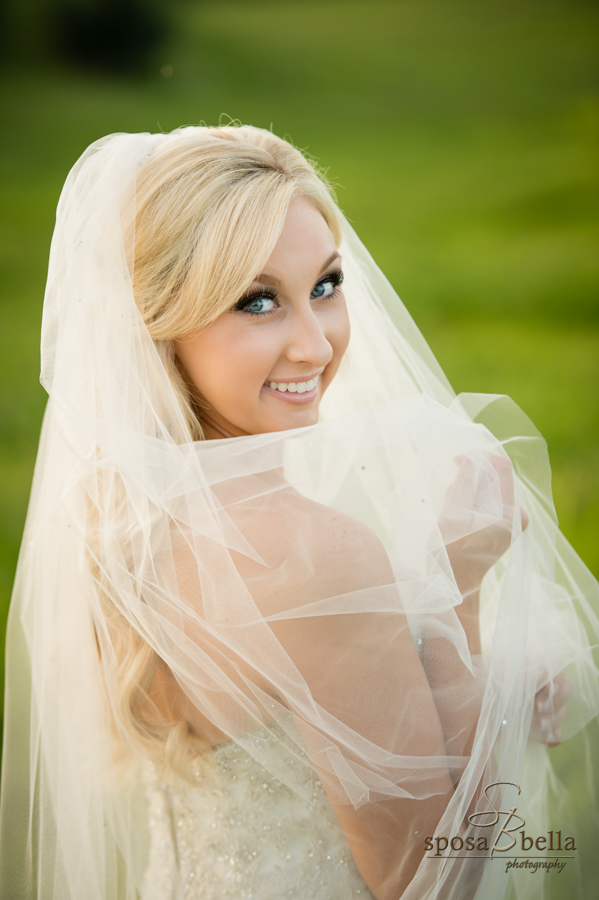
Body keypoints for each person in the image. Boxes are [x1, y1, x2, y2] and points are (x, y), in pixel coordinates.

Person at [0, 124, 597, 900]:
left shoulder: (118, 517)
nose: (315, 346)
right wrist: (461, 586)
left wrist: (496, 680)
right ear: (159, 323)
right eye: (258, 302)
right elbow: (431, 876)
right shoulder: (311, 556)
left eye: (325, 284)